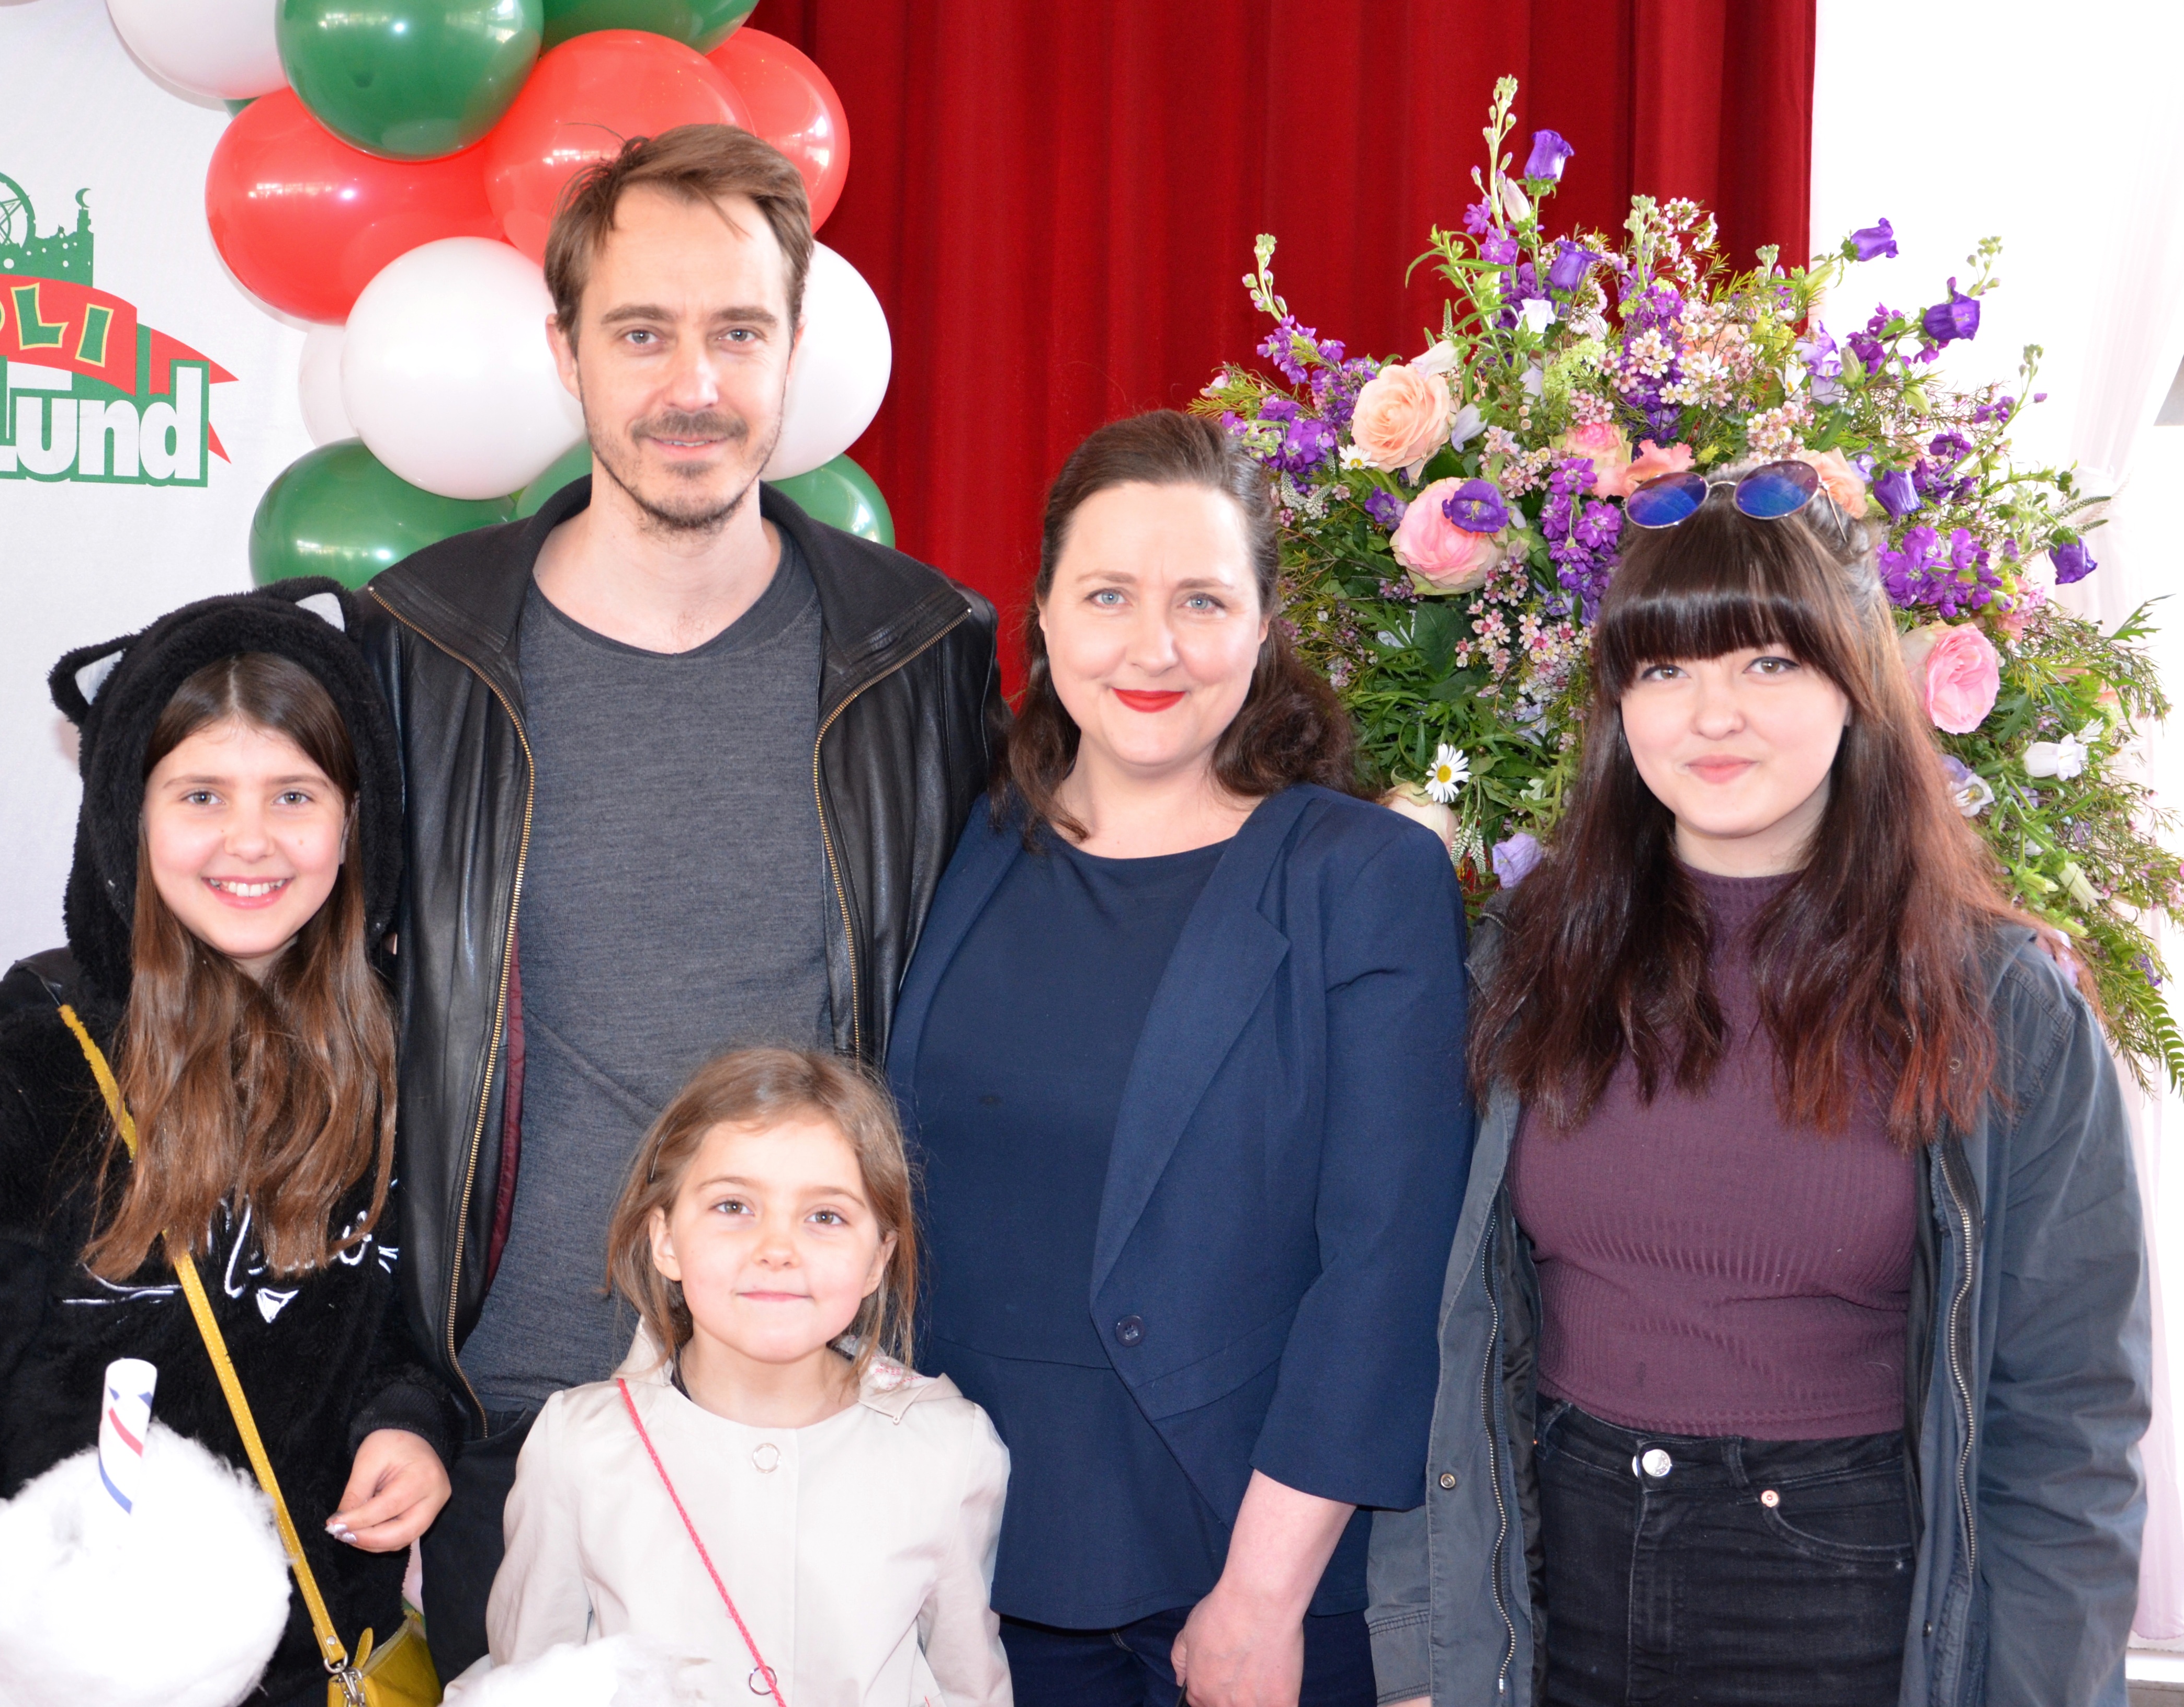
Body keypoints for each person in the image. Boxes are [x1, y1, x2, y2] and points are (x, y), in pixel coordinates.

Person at [0, 124, 1003, 1677]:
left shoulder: (921, 651)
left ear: (794, 347)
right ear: (563, 349)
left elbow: (1015, 955)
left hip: (818, 1405)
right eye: (641, 332)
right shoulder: (421, 645)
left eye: (738, 331)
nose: (693, 382)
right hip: (500, 1413)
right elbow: (253, 896)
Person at [1365, 463, 2151, 1707]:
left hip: (1840, 1598)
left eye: (1768, 663)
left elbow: (2069, 1427)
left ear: (1854, 684)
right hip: (1553, 1577)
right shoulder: (1526, 959)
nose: (1710, 715)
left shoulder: (1997, 1000)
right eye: (1664, 670)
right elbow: (1430, 1327)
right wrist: (1425, 1646)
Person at [885, 409, 1477, 1707]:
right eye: (1108, 595)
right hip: (952, 1575)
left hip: (1234, 1585)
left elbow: (1385, 1269)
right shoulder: (964, 845)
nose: (1153, 646)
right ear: (1042, 618)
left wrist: (1262, 1596)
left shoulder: (1363, 879)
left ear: (1263, 630)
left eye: (1202, 601)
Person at [0, 582, 455, 1707]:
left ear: (356, 818)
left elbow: (401, 1334)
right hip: (79, 1675)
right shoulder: (31, 1077)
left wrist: (410, 1423)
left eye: (294, 794)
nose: (249, 839)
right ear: (128, 815)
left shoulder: (409, 1065)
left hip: (324, 1658)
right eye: (201, 794)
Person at [479, 1046, 1011, 1703]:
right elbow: (527, 1682)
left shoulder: (949, 1450)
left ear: (878, 1259)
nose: (777, 1249)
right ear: (665, 1240)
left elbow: (971, 1685)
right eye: (733, 1206)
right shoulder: (579, 1447)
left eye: (825, 1217)